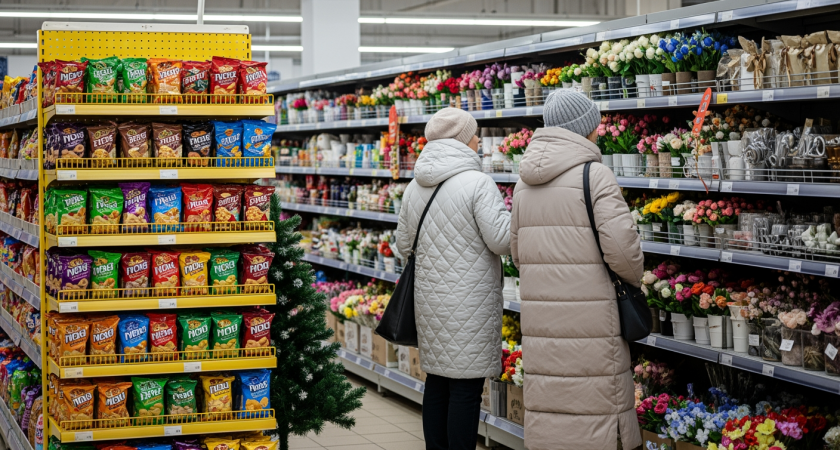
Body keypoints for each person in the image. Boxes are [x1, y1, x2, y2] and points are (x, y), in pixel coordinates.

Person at [510, 90, 644, 450]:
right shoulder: (595, 175)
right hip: (593, 321)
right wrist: (635, 281)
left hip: (542, 321)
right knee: (596, 405)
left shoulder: (523, 183)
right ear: (584, 128)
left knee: (553, 405)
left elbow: (517, 254)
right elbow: (624, 254)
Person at [396, 107, 511, 450]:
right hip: (470, 303)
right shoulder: (478, 183)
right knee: (465, 390)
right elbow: (501, 241)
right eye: (475, 134)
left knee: (437, 384)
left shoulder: (414, 187)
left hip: (429, 301)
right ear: (463, 140)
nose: (479, 140)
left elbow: (403, 245)